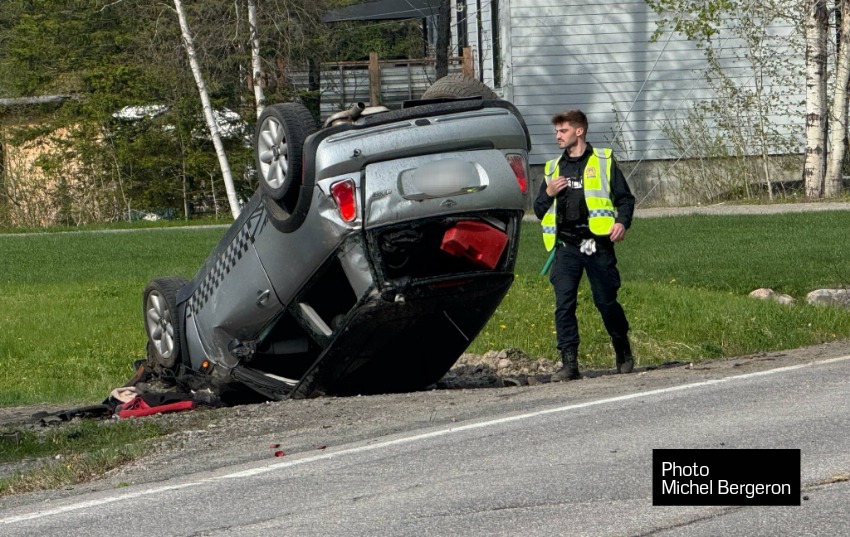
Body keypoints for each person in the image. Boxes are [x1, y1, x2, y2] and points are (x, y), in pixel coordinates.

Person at [533, 109, 636, 381]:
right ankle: (569, 364)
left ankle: (622, 347)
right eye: (557, 131)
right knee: (564, 304)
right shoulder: (552, 168)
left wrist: (622, 223)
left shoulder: (603, 161)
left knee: (605, 301)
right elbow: (539, 210)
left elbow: (625, 199)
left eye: (563, 130)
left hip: (596, 244)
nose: (558, 136)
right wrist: (548, 193)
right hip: (566, 246)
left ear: (579, 131)